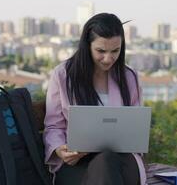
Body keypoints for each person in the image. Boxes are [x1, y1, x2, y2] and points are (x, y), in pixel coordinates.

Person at [43, 13, 146, 185]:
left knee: (106, 162)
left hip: (122, 162)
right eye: (101, 51)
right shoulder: (63, 75)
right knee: (103, 170)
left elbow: (136, 129)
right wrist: (61, 150)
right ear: (87, 46)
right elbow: (54, 126)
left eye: (115, 51)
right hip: (77, 163)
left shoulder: (129, 78)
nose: (108, 59)